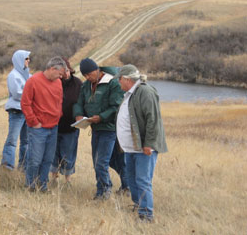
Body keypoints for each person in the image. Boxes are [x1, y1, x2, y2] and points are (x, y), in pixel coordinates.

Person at [115, 64, 168, 222]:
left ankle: (146, 215)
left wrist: (148, 144)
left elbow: (153, 120)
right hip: (131, 148)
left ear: (127, 79)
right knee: (132, 179)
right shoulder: (130, 93)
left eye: (120, 80)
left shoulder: (145, 91)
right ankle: (138, 206)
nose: (119, 83)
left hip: (143, 148)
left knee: (143, 180)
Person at [73, 58, 124, 200]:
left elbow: (116, 107)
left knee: (101, 162)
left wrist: (101, 117)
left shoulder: (113, 83)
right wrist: (78, 114)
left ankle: (105, 190)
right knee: (100, 161)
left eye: (89, 74)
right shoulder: (86, 86)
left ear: (97, 70)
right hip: (95, 129)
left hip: (110, 128)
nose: (87, 78)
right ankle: (107, 189)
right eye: (85, 76)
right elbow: (79, 102)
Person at [21, 56, 67, 192]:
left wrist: (58, 116)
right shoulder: (33, 81)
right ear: (52, 69)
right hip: (38, 128)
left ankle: (43, 186)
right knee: (35, 160)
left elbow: (59, 101)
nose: (61, 76)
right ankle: (30, 185)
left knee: (48, 159)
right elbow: (25, 103)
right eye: (59, 73)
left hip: (53, 127)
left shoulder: (58, 82)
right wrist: (33, 122)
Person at [50, 58, 82, 186]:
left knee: (68, 154)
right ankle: (54, 178)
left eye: (68, 70)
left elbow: (82, 102)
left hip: (71, 126)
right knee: (53, 152)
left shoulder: (78, 83)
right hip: (54, 125)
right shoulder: (54, 83)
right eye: (64, 71)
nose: (66, 74)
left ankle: (68, 180)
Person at [1, 50, 31, 171]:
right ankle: (7, 165)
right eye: (26, 58)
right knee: (12, 140)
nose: (28, 61)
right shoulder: (13, 75)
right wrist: (30, 94)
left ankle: (24, 167)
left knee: (26, 141)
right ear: (19, 59)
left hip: (27, 111)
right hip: (16, 111)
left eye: (28, 58)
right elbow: (17, 93)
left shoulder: (28, 75)